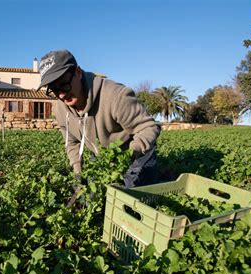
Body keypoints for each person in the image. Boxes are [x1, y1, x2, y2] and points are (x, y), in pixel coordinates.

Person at [38, 49, 161, 188]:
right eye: (54, 89)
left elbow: (149, 127)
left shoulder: (115, 96)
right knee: (89, 196)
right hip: (102, 155)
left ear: (78, 73)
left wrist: (128, 157)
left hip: (135, 153)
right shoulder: (60, 109)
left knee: (129, 197)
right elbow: (72, 143)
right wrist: (78, 174)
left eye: (63, 84)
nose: (61, 95)